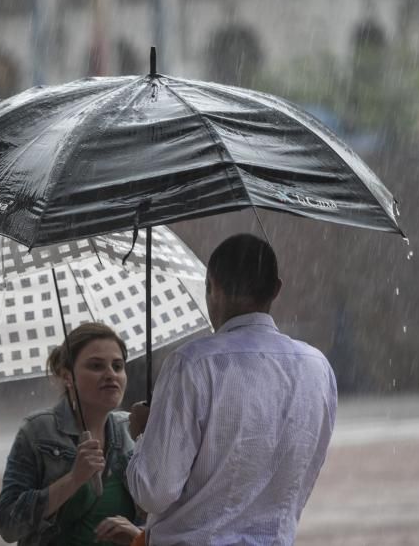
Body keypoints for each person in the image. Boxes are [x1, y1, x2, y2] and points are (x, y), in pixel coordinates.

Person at [126, 233, 337, 545]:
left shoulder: (192, 364)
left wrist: (145, 435)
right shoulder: (317, 367)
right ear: (276, 288)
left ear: (212, 286)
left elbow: (154, 492)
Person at [0, 322, 143, 545]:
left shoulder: (131, 430)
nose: (110, 374)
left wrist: (139, 536)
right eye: (96, 366)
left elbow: (164, 514)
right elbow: (8, 525)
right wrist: (74, 479)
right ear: (67, 376)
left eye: (118, 366)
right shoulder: (38, 431)